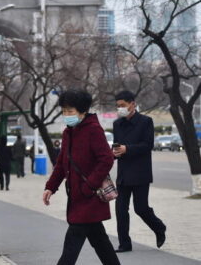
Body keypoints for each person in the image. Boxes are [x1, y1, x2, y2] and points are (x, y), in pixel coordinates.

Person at [43, 89, 120, 265]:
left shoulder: (93, 130)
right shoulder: (68, 132)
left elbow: (106, 159)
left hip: (89, 197)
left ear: (83, 111)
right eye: (64, 111)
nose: (66, 115)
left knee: (72, 243)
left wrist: (89, 186)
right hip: (76, 197)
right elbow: (62, 164)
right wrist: (50, 187)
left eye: (70, 111)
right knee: (100, 242)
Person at [113, 90, 166, 253]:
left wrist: (127, 149)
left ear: (132, 104)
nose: (120, 109)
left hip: (140, 173)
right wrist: (114, 152)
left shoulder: (145, 122)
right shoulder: (117, 124)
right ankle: (124, 243)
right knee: (120, 210)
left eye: (123, 105)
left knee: (141, 208)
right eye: (118, 106)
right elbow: (117, 145)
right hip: (123, 173)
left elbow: (147, 145)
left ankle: (159, 227)